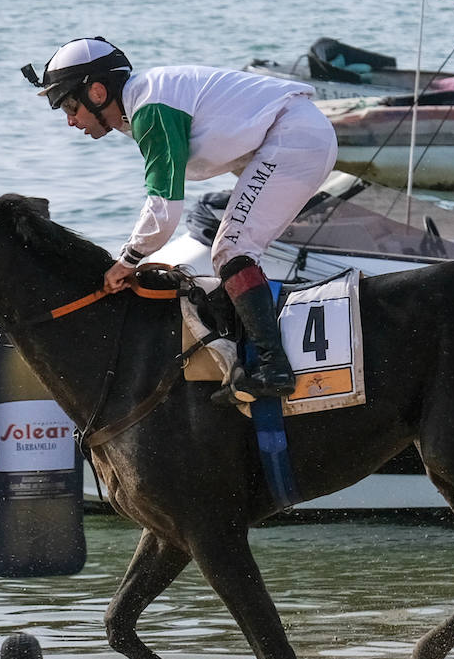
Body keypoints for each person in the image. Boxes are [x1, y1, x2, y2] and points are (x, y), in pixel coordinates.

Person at [22, 37, 339, 402]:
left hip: (294, 138)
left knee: (231, 250)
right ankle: (254, 357)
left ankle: (273, 367)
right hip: (295, 135)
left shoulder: (150, 107)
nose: (70, 121)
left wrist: (127, 261)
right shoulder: (141, 104)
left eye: (70, 107)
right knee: (234, 250)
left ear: (97, 91)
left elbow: (164, 208)